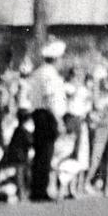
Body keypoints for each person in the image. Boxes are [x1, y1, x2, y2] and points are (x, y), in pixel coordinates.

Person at [28, 40, 67, 202]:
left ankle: (38, 188)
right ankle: (40, 190)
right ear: (57, 58)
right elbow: (50, 98)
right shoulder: (49, 74)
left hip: (39, 114)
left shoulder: (39, 72)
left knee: (41, 153)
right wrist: (58, 120)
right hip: (47, 115)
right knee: (45, 153)